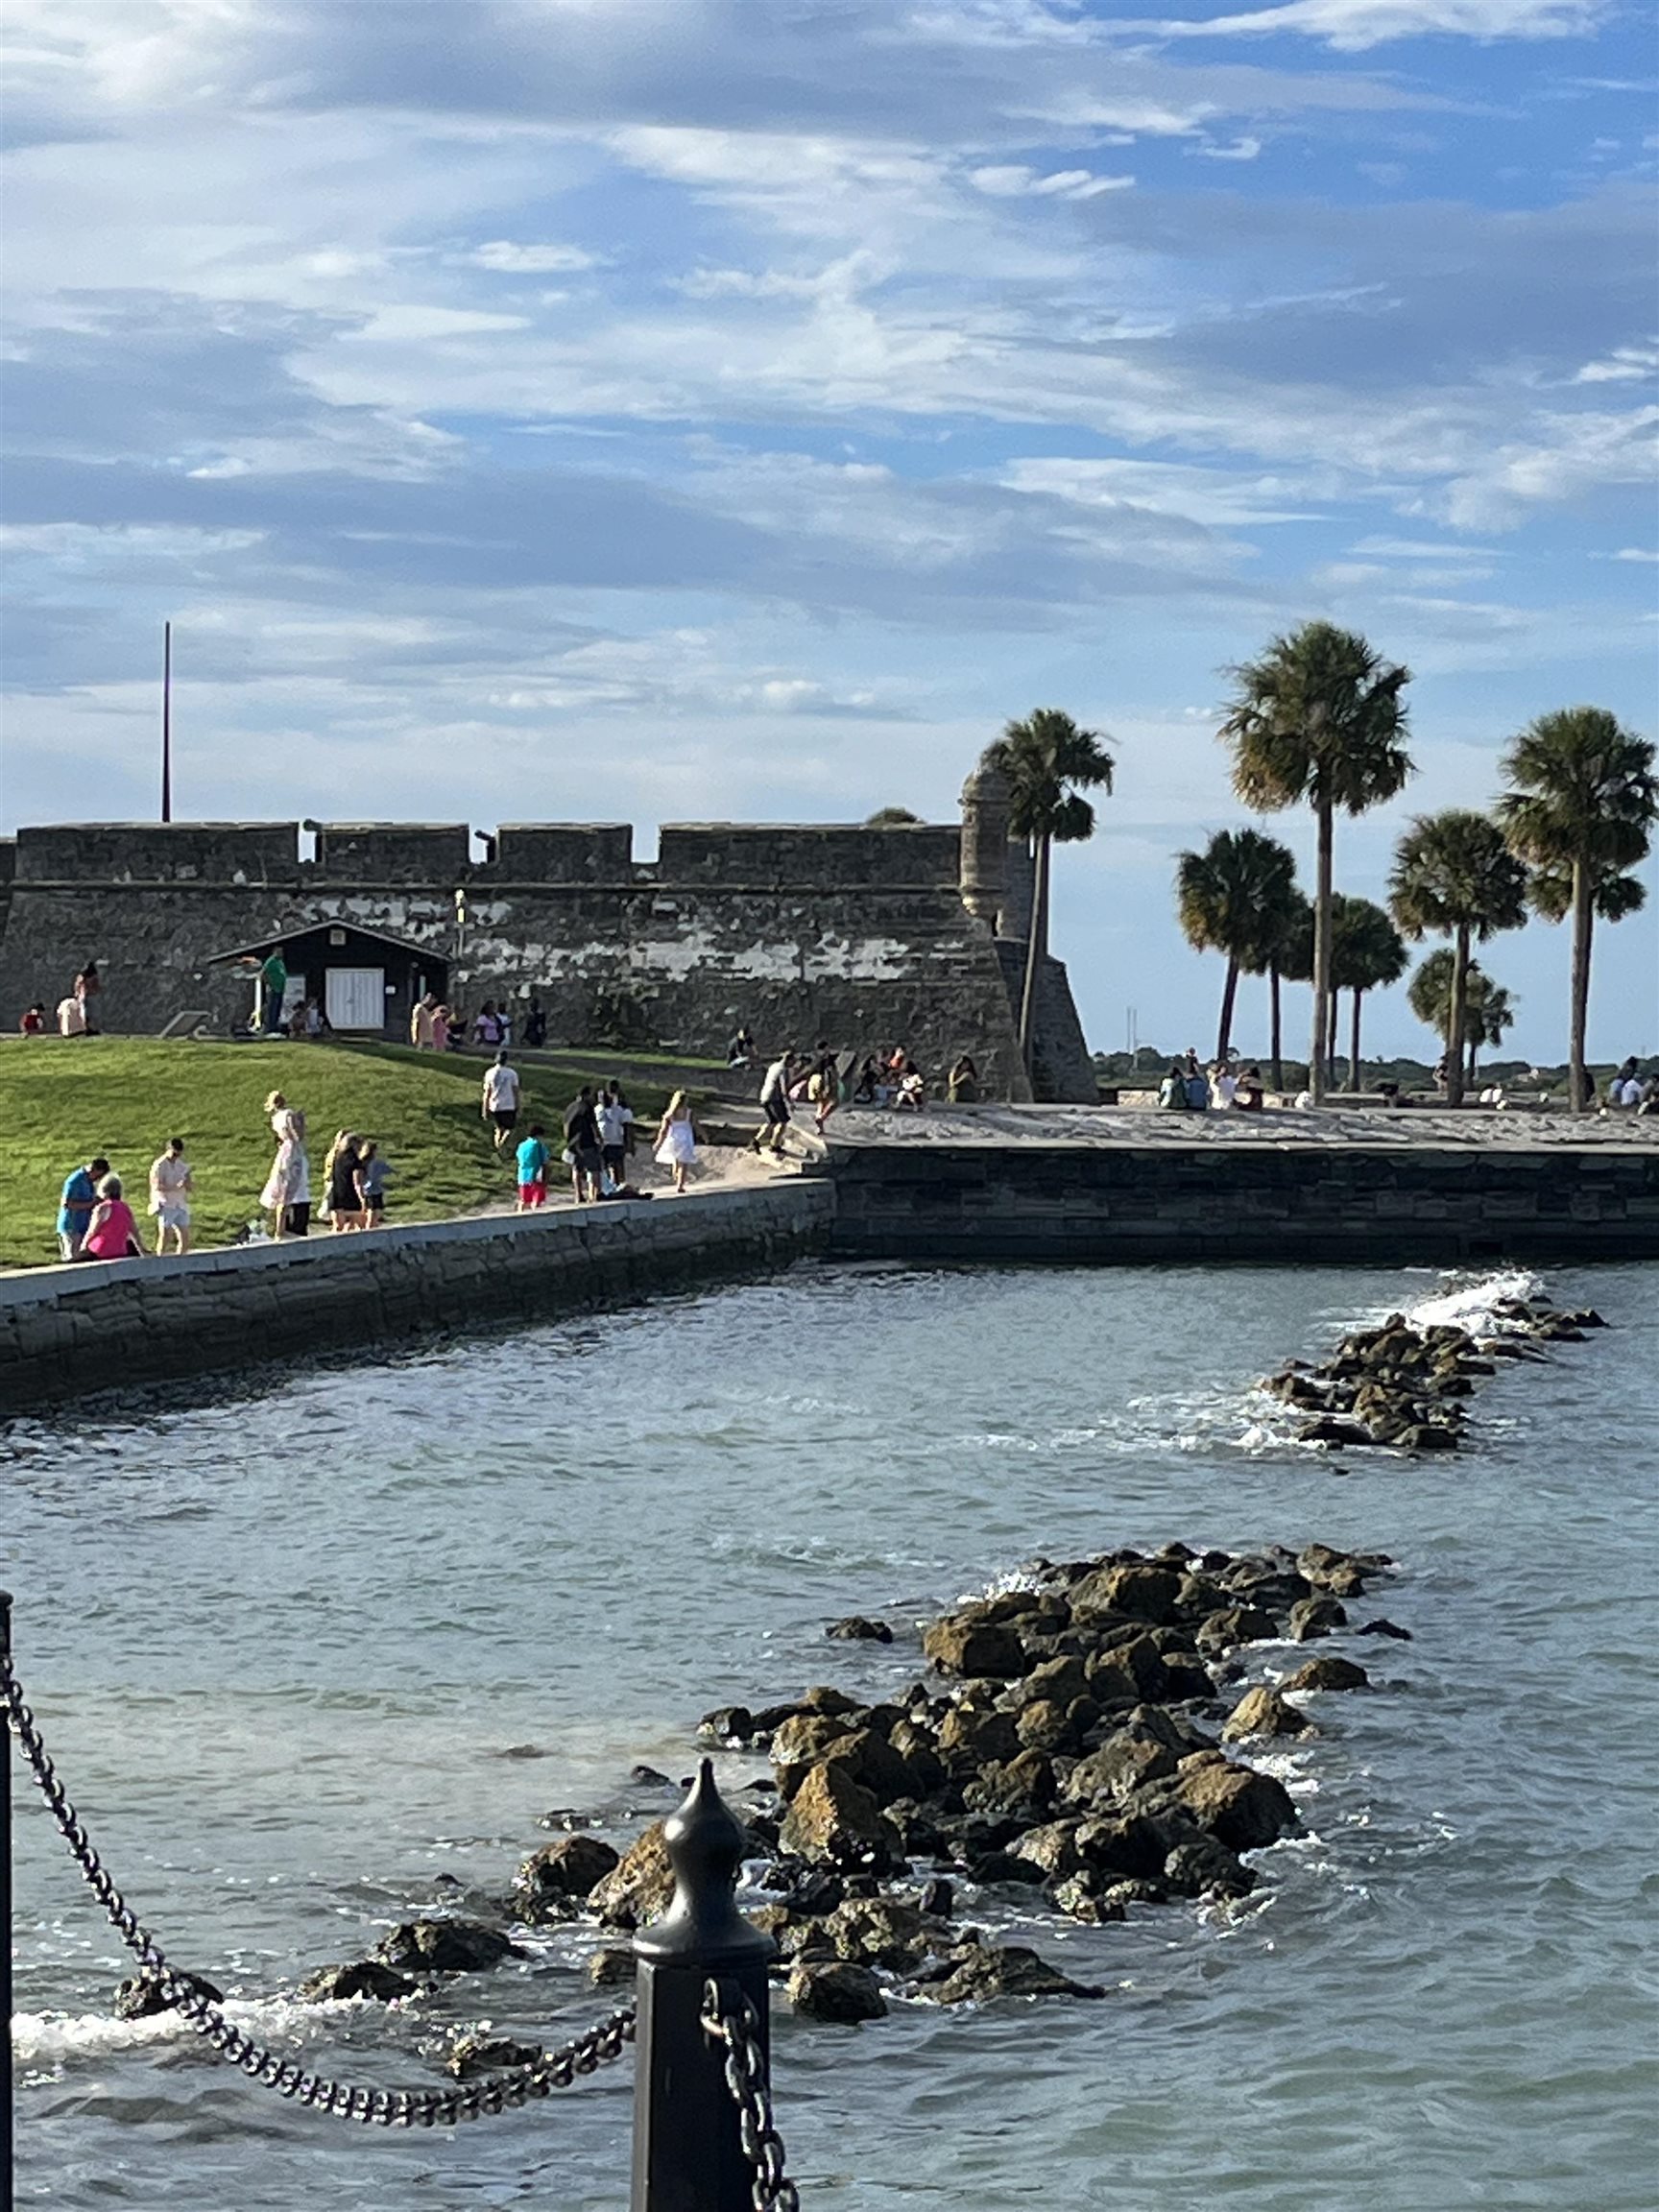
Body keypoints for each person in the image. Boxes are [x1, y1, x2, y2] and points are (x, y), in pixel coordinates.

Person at [259, 1092, 310, 1238]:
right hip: (293, 1151)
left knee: (281, 1187)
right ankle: (281, 1230)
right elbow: (298, 1135)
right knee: (290, 1189)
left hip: (283, 1151)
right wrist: (301, 1121)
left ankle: (279, 1227)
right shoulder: (289, 1114)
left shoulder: (275, 1118)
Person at [57, 1155, 110, 1260]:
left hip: (83, 1227)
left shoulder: (88, 1182)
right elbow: (67, 1204)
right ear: (94, 1170)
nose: (98, 1179)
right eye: (98, 1176)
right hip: (72, 1227)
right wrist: (91, 1204)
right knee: (73, 1259)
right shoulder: (75, 1181)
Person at [148, 1137, 193, 1255]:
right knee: (165, 1235)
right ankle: (160, 1257)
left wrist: (187, 1183)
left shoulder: (181, 1165)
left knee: (184, 1235)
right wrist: (175, 1187)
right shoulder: (159, 1165)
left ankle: (181, 1258)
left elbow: (189, 1185)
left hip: (180, 1203)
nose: (175, 1157)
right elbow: (157, 1185)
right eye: (174, 1154)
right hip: (166, 1203)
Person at [82, 1172, 141, 1261]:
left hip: (101, 1251)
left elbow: (92, 1232)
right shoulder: (125, 1207)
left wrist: (83, 1247)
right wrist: (142, 1247)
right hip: (121, 1250)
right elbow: (134, 1231)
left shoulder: (102, 1208)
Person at [563, 1085, 605, 1203]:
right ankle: (597, 1194)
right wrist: (600, 1139)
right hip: (587, 1142)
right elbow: (593, 1125)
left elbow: (565, 1126)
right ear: (586, 1095)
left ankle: (578, 1194)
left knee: (576, 1169)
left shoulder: (570, 1108)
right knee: (594, 1169)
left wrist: (568, 1140)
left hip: (573, 1144)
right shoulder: (587, 1107)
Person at [654, 1090, 698, 1193]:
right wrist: (704, 1136)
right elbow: (696, 1124)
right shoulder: (689, 1112)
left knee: (677, 1160)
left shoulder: (669, 1114)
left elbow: (663, 1131)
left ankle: (677, 1176)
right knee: (683, 1163)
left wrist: (658, 1142)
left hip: (673, 1139)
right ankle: (680, 1185)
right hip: (685, 1139)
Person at [323, 1130, 363, 1232]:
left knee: (337, 1227)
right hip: (350, 1197)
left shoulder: (336, 1158)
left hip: (336, 1195)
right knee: (357, 1225)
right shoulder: (355, 1161)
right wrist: (362, 1199)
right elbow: (357, 1181)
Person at [755, 1049, 794, 1154]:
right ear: (789, 1060)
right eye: (793, 1061)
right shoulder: (783, 1070)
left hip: (764, 1096)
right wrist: (790, 1103)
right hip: (774, 1098)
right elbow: (784, 1089)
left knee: (771, 1122)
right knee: (783, 1123)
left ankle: (756, 1141)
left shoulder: (774, 1066)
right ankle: (774, 1146)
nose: (793, 1064)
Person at [481, 1049, 521, 1150]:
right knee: (509, 1129)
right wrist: (518, 1105)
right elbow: (515, 1091)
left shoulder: (489, 1073)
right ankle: (502, 1146)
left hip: (495, 1105)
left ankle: (498, 1147)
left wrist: (484, 1108)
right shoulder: (512, 1074)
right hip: (509, 1105)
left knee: (499, 1129)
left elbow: (487, 1092)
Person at [596, 1085, 633, 1189]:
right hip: (603, 1143)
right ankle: (607, 1186)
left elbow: (625, 1125)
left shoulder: (618, 1110)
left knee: (617, 1165)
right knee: (604, 1166)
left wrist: (627, 1142)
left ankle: (620, 1184)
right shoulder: (597, 1110)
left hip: (616, 1141)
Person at [516, 1123, 550, 1211]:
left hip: (523, 1176)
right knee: (536, 1200)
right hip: (536, 1175)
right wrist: (546, 1177)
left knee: (523, 1200)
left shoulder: (521, 1145)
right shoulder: (539, 1145)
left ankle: (520, 1215)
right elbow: (545, 1161)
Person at [357, 1142, 392, 1227]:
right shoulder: (372, 1163)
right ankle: (369, 1229)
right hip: (371, 1191)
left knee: (373, 1214)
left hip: (370, 1190)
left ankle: (371, 1227)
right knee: (372, 1214)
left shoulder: (362, 1163)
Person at [807, 1052, 838, 1133]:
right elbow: (829, 1076)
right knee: (834, 1103)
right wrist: (828, 1088)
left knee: (821, 1105)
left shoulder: (820, 1062)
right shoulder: (830, 1067)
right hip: (826, 1085)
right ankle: (821, 1118)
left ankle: (820, 1128)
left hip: (817, 1083)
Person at [73, 960, 102, 1033]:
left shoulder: (81, 976)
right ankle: (90, 1028)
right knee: (92, 1013)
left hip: (82, 996)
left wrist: (77, 993)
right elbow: (96, 987)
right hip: (91, 996)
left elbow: (77, 986)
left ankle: (85, 1027)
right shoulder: (94, 977)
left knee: (84, 1013)